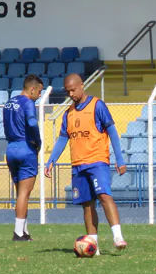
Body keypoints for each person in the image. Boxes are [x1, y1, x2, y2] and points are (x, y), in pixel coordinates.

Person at [45, 74, 128, 252]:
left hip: (97, 161)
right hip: (78, 165)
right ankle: (93, 245)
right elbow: (62, 138)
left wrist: (119, 159)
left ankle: (118, 236)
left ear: (82, 86)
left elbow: (112, 131)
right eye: (68, 91)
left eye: (73, 90)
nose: (71, 94)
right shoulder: (68, 113)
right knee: (87, 204)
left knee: (104, 195)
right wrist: (51, 160)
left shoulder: (97, 105)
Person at [3, 74, 44, 241]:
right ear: (32, 89)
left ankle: (24, 232)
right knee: (24, 194)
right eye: (39, 91)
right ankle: (18, 233)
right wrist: (38, 141)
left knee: (20, 193)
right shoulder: (28, 103)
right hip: (25, 147)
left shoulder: (9, 102)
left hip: (11, 148)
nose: (40, 95)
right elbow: (32, 123)